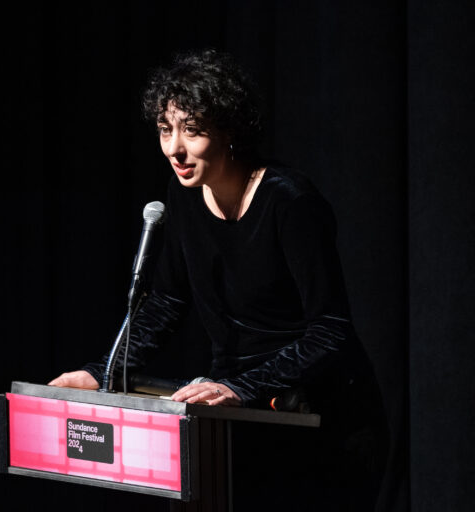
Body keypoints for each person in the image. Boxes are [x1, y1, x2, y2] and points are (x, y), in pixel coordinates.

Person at [49, 49, 387, 511]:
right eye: (165, 131)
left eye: (192, 130)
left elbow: (330, 330)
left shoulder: (289, 202)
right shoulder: (183, 197)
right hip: (236, 418)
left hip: (321, 421)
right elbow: (167, 302)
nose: (174, 149)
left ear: (230, 130)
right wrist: (104, 373)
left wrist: (241, 387)